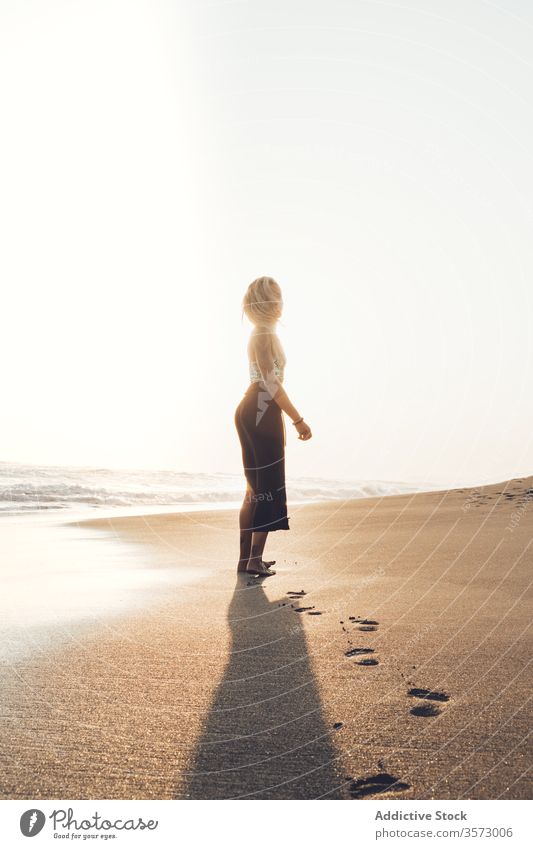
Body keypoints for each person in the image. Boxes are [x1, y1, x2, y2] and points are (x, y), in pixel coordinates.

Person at [234, 276, 312, 577]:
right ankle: (252, 559)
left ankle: (249, 560)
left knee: (255, 489)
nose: (280, 303)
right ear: (266, 303)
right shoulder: (263, 334)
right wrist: (298, 419)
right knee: (265, 487)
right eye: (275, 297)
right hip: (261, 409)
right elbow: (270, 382)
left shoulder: (263, 333)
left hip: (257, 408)